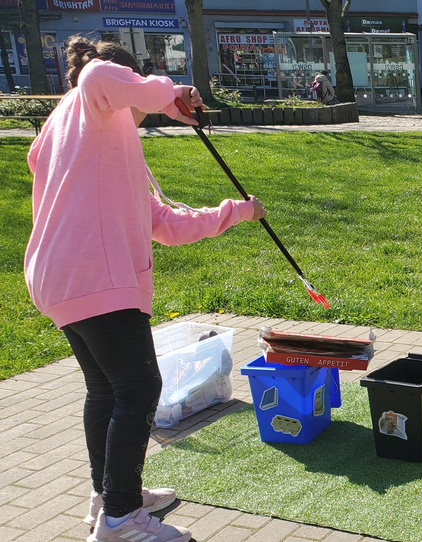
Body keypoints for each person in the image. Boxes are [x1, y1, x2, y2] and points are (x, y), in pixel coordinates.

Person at [24, 36, 267, 542]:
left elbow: (163, 223)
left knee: (108, 390)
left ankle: (109, 497)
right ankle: (120, 520)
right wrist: (170, 91)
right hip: (95, 277)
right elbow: (96, 76)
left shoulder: (91, 139)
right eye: (135, 92)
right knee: (138, 389)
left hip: (62, 279)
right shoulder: (89, 100)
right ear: (126, 85)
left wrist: (239, 210)